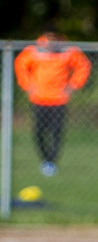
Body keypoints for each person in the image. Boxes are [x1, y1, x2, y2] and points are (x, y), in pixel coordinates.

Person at [14, 23, 92, 176]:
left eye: (53, 38)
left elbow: (83, 66)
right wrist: (27, 86)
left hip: (59, 99)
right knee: (39, 132)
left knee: (56, 132)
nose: (51, 41)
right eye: (48, 38)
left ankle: (52, 162)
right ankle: (45, 159)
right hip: (39, 99)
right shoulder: (34, 50)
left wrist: (73, 86)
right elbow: (20, 66)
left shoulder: (67, 51)